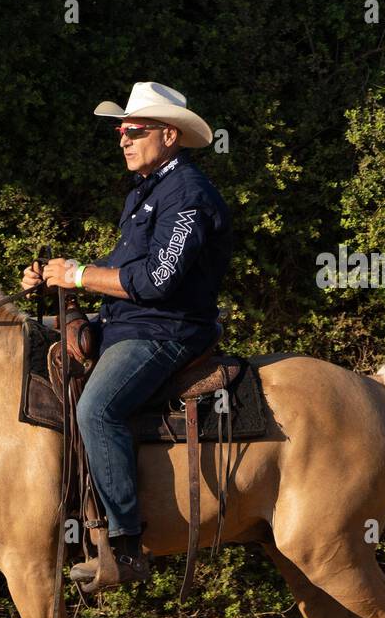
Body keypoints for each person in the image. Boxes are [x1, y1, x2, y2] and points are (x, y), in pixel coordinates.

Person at [21, 81, 232, 591]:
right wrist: (51, 280)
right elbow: (121, 268)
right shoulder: (146, 190)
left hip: (170, 331)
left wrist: (76, 276)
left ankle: (124, 545)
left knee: (97, 408)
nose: (123, 139)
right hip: (125, 324)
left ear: (169, 135)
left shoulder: (189, 195)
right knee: (20, 339)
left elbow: (157, 280)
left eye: (134, 130)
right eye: (120, 131)